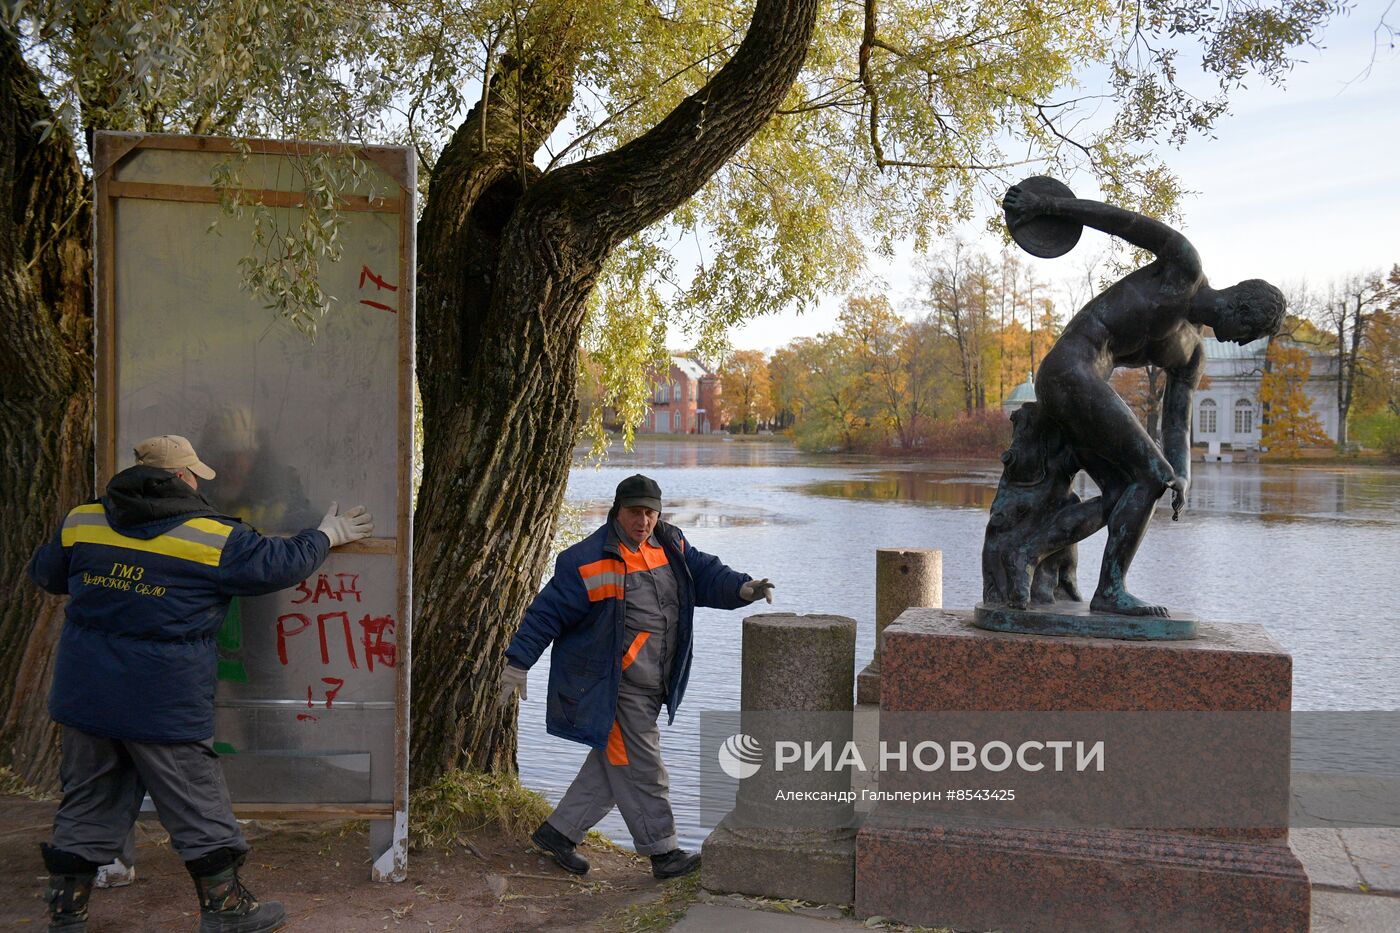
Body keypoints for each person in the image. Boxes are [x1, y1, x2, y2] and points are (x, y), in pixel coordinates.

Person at [28, 434, 374, 933]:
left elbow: (47, 574)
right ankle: (227, 910)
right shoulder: (211, 537)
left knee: (87, 798)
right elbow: (279, 565)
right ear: (185, 477)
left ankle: (65, 914)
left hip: (88, 696)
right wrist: (326, 534)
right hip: (162, 701)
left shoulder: (84, 520)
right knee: (195, 802)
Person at [1001, 184, 1285, 616]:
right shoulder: (1184, 268)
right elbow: (1120, 222)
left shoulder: (1193, 352)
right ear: (1241, 307)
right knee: (1149, 476)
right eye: (1248, 332)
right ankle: (1110, 591)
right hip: (1070, 369)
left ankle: (1024, 552)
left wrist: (1183, 476)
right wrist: (1048, 206)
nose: (1242, 341)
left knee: (1125, 490)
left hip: (1083, 386)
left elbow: (1177, 420)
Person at [499, 474, 774, 880]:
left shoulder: (671, 543)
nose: (642, 521)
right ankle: (664, 853)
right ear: (618, 511)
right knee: (645, 769)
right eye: (634, 512)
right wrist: (518, 662)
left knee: (616, 767)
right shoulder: (586, 560)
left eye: (650, 512)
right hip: (612, 687)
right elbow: (546, 613)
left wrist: (742, 589)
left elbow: (705, 574)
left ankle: (558, 833)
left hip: (653, 685)